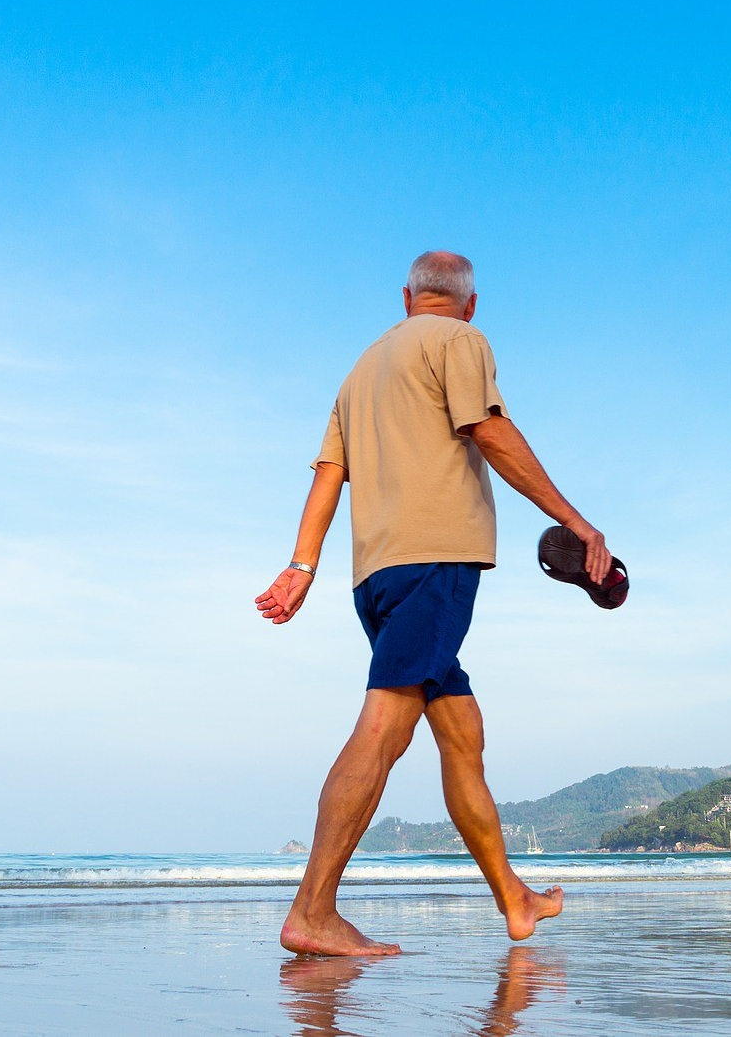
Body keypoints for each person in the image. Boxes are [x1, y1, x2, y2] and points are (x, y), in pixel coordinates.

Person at [257, 250, 614, 957]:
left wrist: (302, 565)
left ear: (407, 297)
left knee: (460, 732)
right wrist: (578, 522)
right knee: (386, 726)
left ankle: (513, 899)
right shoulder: (462, 342)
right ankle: (312, 912)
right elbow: (489, 431)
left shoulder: (361, 371)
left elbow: (330, 476)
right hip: (435, 562)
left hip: (375, 576)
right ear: (470, 303)